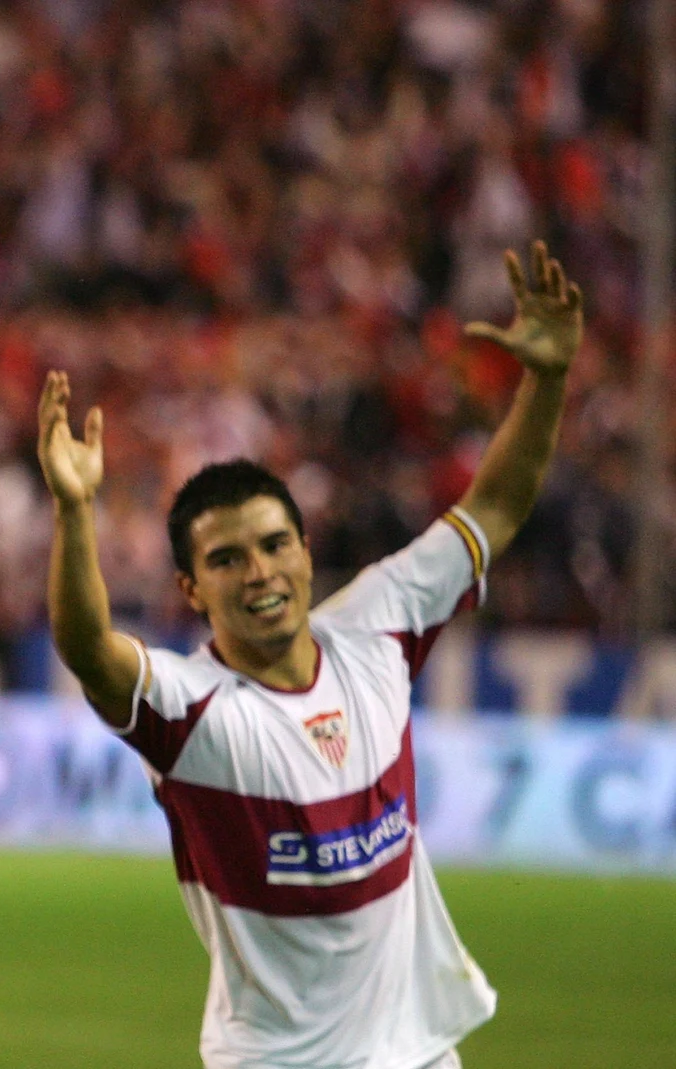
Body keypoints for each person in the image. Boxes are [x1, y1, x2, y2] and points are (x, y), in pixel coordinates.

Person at [37, 241, 582, 1069]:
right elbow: (87, 647)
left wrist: (546, 381)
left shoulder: (379, 625)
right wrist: (76, 512)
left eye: (274, 544)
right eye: (226, 559)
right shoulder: (195, 712)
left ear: (304, 548)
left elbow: (497, 505)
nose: (258, 572)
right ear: (190, 588)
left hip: (418, 1052)